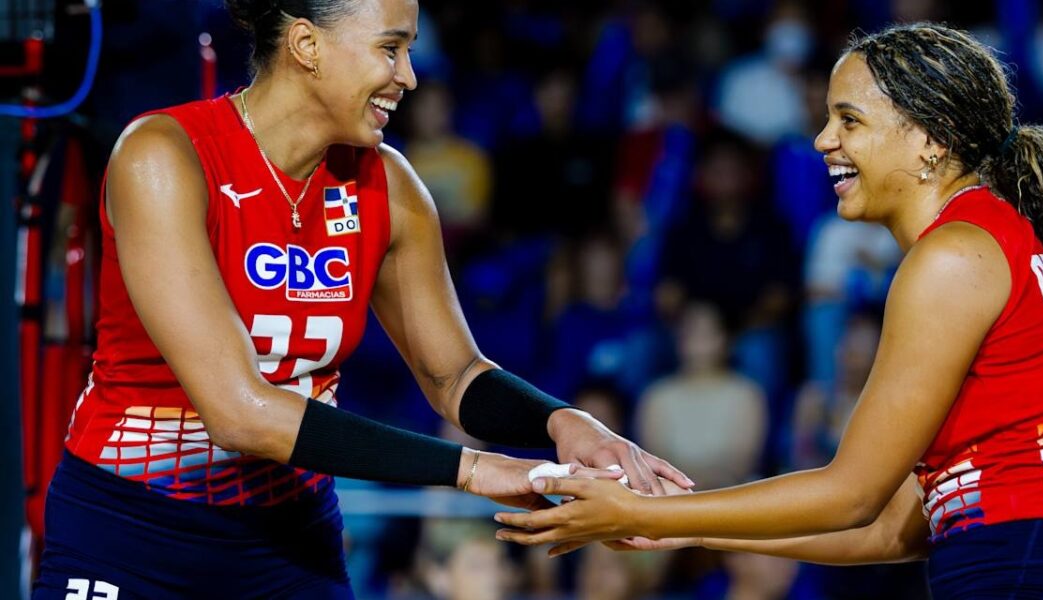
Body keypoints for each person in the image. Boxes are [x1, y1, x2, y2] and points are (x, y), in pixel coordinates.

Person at [33, 1, 691, 598]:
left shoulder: (390, 185)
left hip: (289, 539)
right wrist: (470, 469)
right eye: (390, 48)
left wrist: (563, 423)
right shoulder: (163, 155)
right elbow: (240, 413)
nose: (409, 77)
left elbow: (455, 376)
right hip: (132, 532)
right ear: (307, 45)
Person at [495, 23, 1043, 599]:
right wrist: (684, 522)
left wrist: (647, 513)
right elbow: (888, 528)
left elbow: (852, 494)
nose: (822, 140)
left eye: (849, 120)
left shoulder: (953, 257)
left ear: (929, 139)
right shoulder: (989, 241)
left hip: (1030, 572)